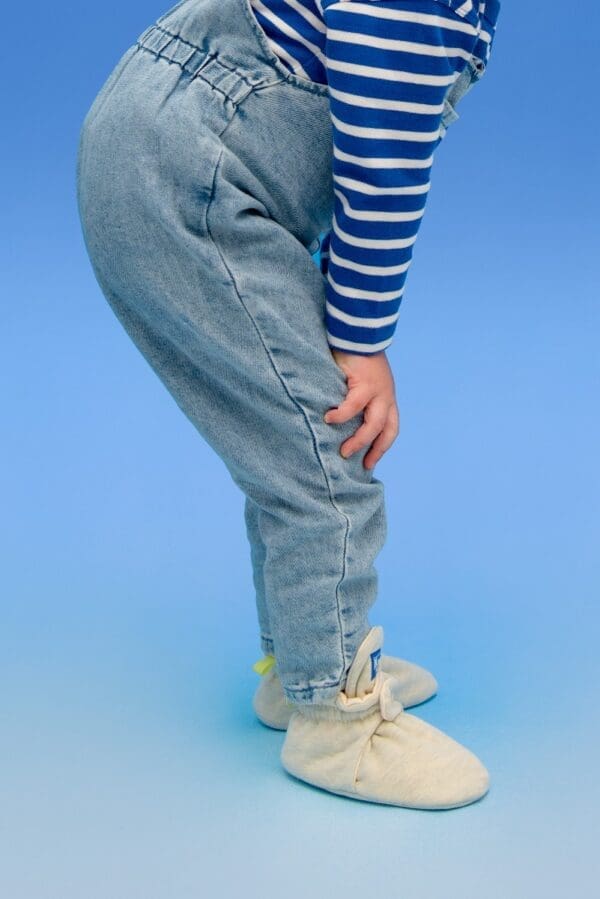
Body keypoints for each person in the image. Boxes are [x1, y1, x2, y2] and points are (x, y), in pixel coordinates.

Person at [76, 0, 501, 809]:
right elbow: (379, 157)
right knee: (326, 447)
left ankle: (302, 664)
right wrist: (361, 339)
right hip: (188, 177)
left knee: (285, 438)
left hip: (166, 144)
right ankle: (335, 723)